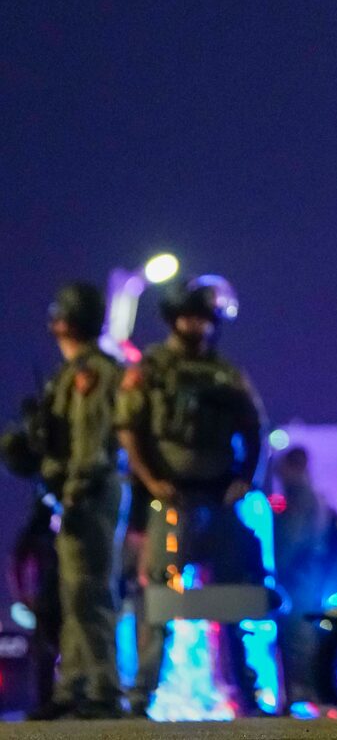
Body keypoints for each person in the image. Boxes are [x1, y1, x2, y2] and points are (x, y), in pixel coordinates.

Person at [116, 274, 266, 715]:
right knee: (159, 600)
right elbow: (129, 430)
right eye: (189, 317)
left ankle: (246, 693)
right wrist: (151, 480)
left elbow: (254, 429)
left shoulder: (227, 374)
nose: (196, 326)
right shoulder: (150, 369)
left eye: (203, 319)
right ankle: (142, 695)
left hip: (218, 501)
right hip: (170, 501)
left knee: (233, 599)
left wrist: (245, 479)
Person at [26, 284, 124, 719]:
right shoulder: (73, 371)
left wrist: (73, 491)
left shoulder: (91, 372)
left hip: (87, 494)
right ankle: (75, 686)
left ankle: (100, 688)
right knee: (72, 593)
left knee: (88, 590)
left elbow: (90, 440)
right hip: (72, 493)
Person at [270, 445, 337, 708]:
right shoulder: (305, 497)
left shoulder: (303, 499)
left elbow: (294, 541)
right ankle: (301, 692)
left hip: (298, 577)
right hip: (303, 577)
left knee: (299, 635)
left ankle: (305, 692)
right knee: (299, 635)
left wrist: (283, 570)